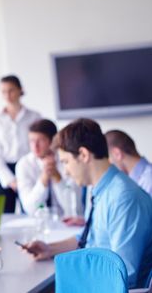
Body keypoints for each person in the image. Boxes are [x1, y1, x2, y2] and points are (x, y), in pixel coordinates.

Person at [23, 118, 152, 289]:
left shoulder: (123, 198)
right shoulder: (99, 189)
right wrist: (49, 249)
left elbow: (124, 276)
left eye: (66, 162)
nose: (66, 172)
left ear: (83, 155)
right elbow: (88, 238)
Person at [0, 75, 41, 213]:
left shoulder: (34, 117)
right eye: (3, 91)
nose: (7, 95)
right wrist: (10, 180)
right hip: (4, 170)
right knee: (3, 216)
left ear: (20, 90)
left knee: (31, 210)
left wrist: (23, 177)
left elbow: (40, 145)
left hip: (28, 168)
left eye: (11, 90)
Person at [16, 119, 82, 217]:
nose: (35, 146)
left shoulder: (68, 161)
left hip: (66, 222)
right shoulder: (23, 164)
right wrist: (43, 179)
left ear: (52, 141)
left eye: (41, 140)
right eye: (31, 141)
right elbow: (29, 208)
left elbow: (74, 209)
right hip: (38, 223)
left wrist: (57, 178)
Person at [105, 129, 152, 197]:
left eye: (108, 159)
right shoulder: (129, 182)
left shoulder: (149, 180)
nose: (108, 165)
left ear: (117, 154)